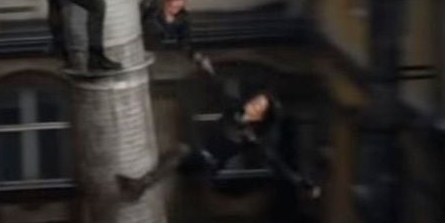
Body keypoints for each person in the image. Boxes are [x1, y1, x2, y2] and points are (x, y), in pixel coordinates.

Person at [117, 82, 321, 201]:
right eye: (255, 100)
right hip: (199, 146)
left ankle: (139, 185)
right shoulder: (234, 109)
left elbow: (276, 163)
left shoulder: (251, 136)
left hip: (208, 160)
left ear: (262, 115)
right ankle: (140, 184)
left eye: (259, 105)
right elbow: (218, 87)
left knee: (179, 151)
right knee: (173, 154)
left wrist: (301, 182)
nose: (253, 104)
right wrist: (202, 63)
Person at [139, 0, 214, 75]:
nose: (175, 11)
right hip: (142, 49)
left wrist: (198, 57)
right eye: (172, 7)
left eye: (178, 7)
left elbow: (184, 41)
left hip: (156, 51)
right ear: (164, 1)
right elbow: (148, 32)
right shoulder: (150, 9)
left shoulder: (181, 15)